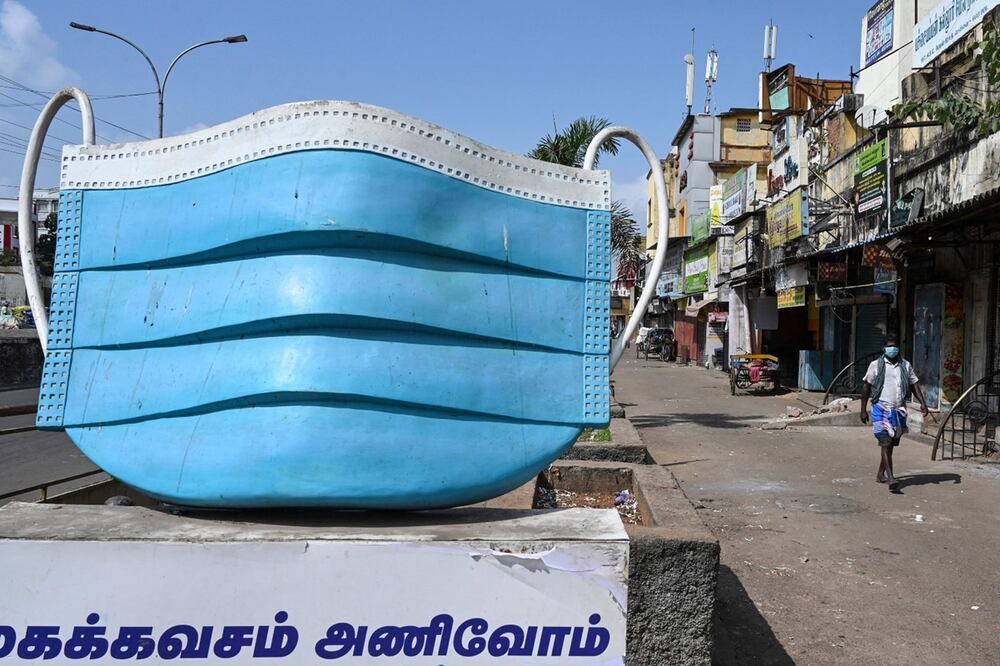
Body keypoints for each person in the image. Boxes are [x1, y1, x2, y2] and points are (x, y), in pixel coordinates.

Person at [860, 335, 929, 492]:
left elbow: (914, 384)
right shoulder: (875, 365)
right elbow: (866, 387)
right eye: (890, 346)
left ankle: (880, 474)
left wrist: (923, 403)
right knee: (886, 442)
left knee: (890, 445)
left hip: (898, 410)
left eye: (895, 346)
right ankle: (891, 478)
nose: (893, 349)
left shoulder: (905, 365)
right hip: (880, 409)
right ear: (884, 348)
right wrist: (863, 410)